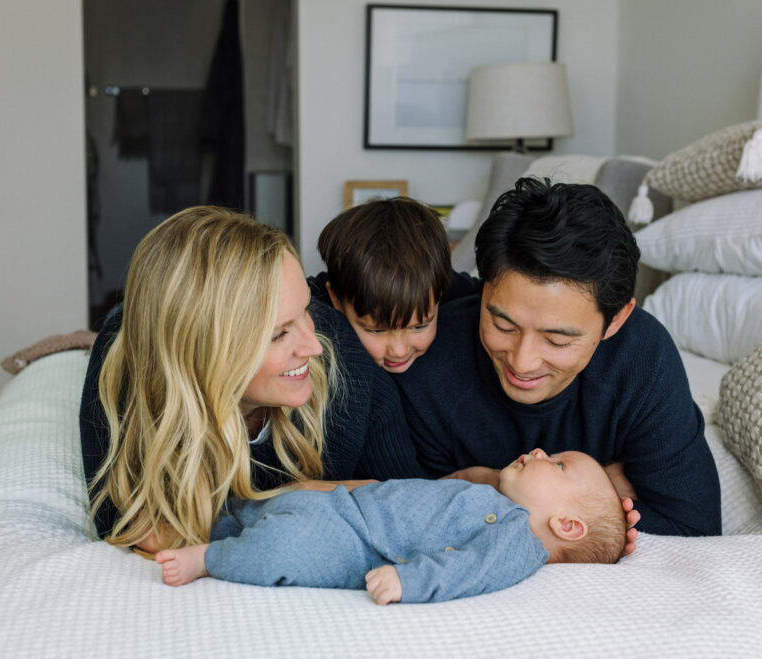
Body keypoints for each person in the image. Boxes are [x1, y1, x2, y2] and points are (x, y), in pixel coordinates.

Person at [79, 206, 427, 551]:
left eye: (307, 310)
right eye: (279, 334)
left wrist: (239, 511)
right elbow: (136, 527)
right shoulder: (123, 365)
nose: (313, 346)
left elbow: (415, 509)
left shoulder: (344, 362)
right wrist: (296, 495)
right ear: (207, 354)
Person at [392, 178, 722, 537]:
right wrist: (604, 491)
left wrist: (486, 484)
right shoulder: (427, 360)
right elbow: (408, 519)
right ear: (483, 289)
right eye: (503, 325)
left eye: (557, 340)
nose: (522, 362)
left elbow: (693, 528)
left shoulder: (641, 358)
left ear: (616, 320)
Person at [155, 448, 626, 603]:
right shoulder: (497, 500)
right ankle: (197, 525)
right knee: (262, 508)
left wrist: (410, 581)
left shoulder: (518, 542)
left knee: (285, 547)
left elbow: (470, 570)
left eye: (558, 464)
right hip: (345, 507)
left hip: (356, 545)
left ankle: (209, 559)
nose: (541, 451)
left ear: (567, 525)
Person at [309, 197, 478, 373]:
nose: (399, 351)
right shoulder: (314, 308)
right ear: (336, 299)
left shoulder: (460, 293)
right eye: (376, 331)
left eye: (419, 327)